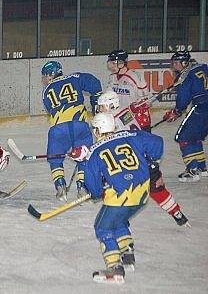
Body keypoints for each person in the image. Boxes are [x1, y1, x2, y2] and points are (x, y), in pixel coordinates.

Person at [79, 113, 164, 284]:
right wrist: (151, 163)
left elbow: (94, 190)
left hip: (119, 198)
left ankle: (115, 269)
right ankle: (127, 255)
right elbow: (158, 143)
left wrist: (94, 188)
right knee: (118, 221)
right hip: (142, 195)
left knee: (103, 228)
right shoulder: (132, 135)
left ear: (97, 130)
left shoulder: (94, 152)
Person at [94, 91, 189, 226]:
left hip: (130, 162)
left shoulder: (110, 121)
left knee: (116, 190)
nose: (99, 109)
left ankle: (119, 222)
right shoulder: (125, 111)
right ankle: (177, 213)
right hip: (145, 156)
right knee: (156, 188)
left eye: (101, 106)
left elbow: (108, 145)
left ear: (110, 105)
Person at [41, 60, 101, 202]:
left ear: (51, 74)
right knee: (84, 156)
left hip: (58, 129)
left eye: (45, 75)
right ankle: (82, 186)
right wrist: (95, 101)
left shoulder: (46, 91)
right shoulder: (75, 77)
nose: (43, 79)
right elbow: (94, 83)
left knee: (55, 159)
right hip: (80, 126)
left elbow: (51, 110)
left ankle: (60, 186)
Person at [162, 50, 208, 182]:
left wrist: (176, 112)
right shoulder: (203, 67)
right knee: (196, 136)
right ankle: (201, 167)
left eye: (176, 63)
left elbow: (183, 99)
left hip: (201, 107)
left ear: (184, 62)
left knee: (183, 137)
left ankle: (192, 170)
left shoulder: (185, 76)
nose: (174, 66)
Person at [106, 49, 152, 131]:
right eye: (110, 63)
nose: (111, 66)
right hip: (122, 116)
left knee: (142, 142)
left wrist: (141, 105)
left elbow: (146, 99)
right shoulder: (112, 77)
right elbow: (109, 97)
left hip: (138, 117)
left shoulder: (135, 77)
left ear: (121, 63)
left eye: (113, 63)